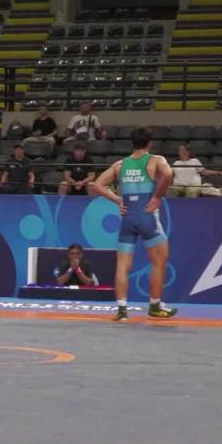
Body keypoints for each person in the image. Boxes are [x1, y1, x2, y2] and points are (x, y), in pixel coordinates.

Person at [92, 127, 177, 322]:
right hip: (147, 217)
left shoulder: (120, 165)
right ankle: (155, 306)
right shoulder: (155, 160)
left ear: (133, 143)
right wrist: (157, 197)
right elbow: (168, 175)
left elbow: (97, 185)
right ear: (149, 143)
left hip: (128, 218)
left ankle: (122, 310)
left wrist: (117, 200)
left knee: (122, 266)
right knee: (159, 262)